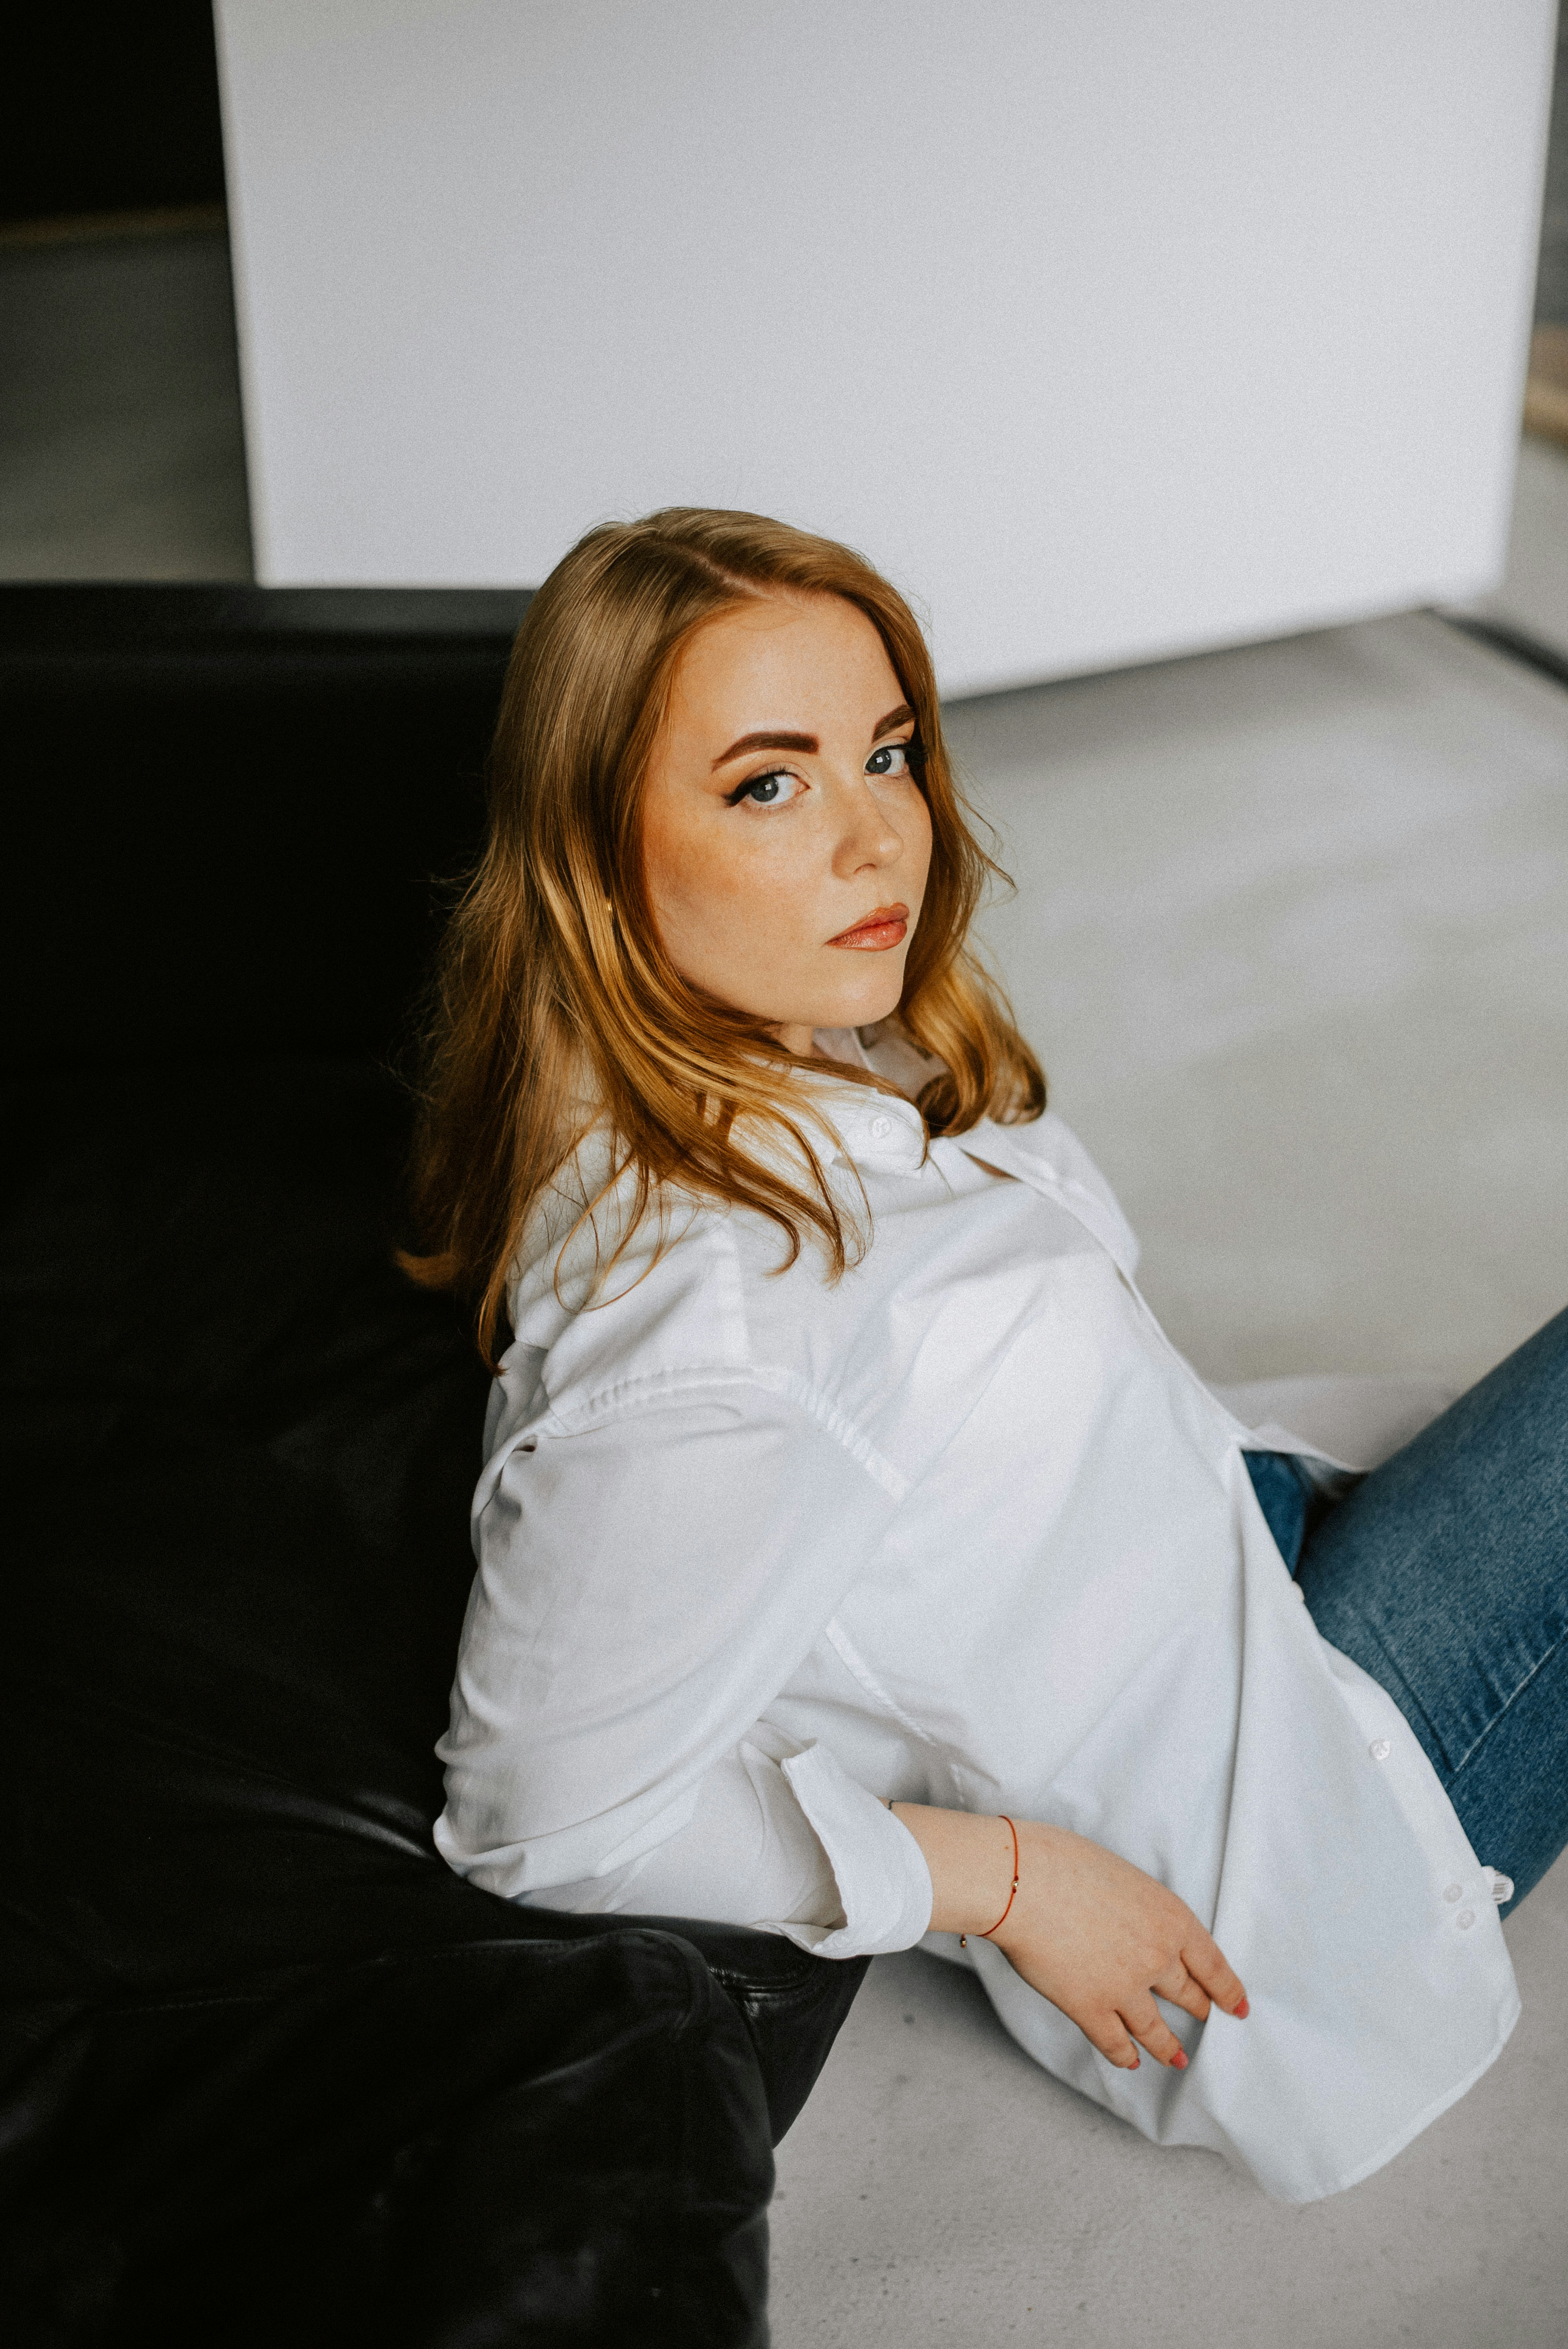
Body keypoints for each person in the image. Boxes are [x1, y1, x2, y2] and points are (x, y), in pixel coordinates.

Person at [404, 508, 1566, 2204]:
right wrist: (1006, 1880)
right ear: (595, 849)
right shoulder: (719, 1327)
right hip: (1319, 1810)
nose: (883, 838)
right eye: (768, 783)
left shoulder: (738, 1080)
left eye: (886, 752)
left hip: (1218, 1579)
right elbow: (539, 1816)